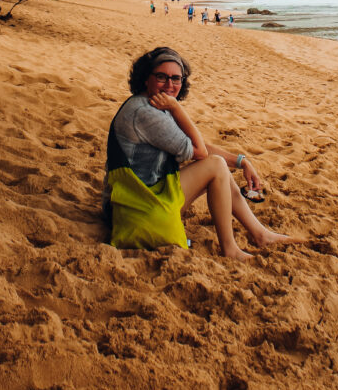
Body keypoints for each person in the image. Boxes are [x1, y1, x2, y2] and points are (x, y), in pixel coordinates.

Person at [104, 47, 294, 260]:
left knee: (218, 166)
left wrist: (242, 162)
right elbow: (200, 151)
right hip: (140, 209)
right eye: (161, 77)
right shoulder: (146, 113)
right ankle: (231, 249)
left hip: (141, 198)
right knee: (215, 166)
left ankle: (260, 234)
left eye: (176, 79)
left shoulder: (152, 104)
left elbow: (194, 144)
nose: (170, 85)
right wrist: (178, 110)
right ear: (146, 78)